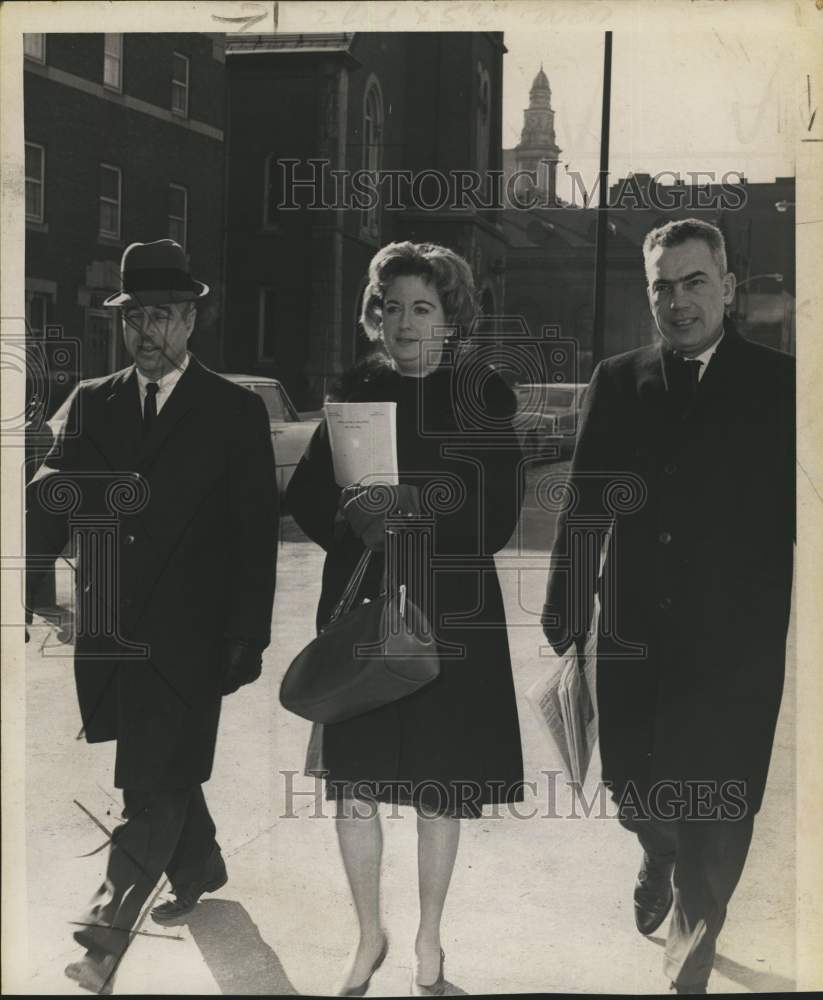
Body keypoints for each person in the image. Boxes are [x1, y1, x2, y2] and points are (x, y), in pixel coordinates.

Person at [542, 218, 795, 994]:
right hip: (634, 630)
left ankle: (688, 955)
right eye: (661, 286)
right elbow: (585, 506)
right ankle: (655, 845)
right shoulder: (618, 381)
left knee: (717, 799)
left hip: (736, 640)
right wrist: (567, 613)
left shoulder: (783, 386)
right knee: (636, 788)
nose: (677, 301)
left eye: (693, 283)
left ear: (726, 286)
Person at [25, 239, 279, 994]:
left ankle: (104, 935)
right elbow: (48, 499)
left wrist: (246, 634)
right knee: (157, 769)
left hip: (194, 635)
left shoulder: (232, 410)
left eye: (162, 316)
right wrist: (38, 579)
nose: (146, 332)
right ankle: (199, 863)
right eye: (134, 316)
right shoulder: (94, 400)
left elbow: (254, 531)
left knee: (153, 781)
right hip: (110, 627)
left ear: (192, 319)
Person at [286, 241, 524, 996]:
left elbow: (495, 517)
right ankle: (367, 935)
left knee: (435, 787)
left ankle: (428, 938)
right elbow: (305, 500)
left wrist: (411, 511)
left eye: (422, 308)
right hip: (364, 615)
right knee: (353, 784)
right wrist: (354, 517)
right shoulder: (354, 392)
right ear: (373, 316)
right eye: (390, 308)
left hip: (449, 615)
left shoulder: (480, 395)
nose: (403, 323)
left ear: (451, 318)